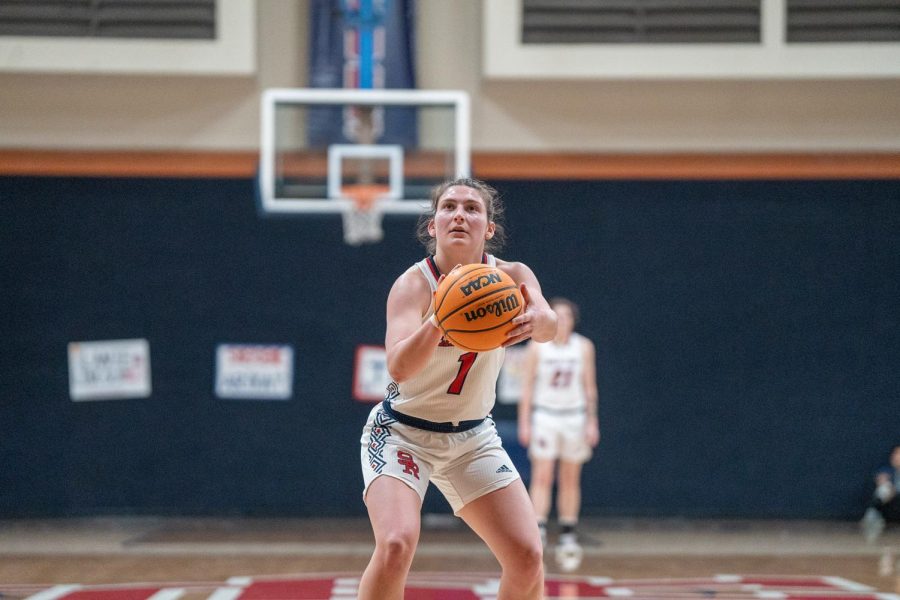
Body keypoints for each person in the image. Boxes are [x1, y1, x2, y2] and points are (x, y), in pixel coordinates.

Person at [358, 177, 558, 600]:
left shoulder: (512, 275)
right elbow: (399, 368)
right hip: (402, 434)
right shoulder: (413, 285)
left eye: (472, 208)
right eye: (448, 207)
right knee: (395, 545)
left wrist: (539, 320)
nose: (459, 215)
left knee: (527, 556)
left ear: (488, 228)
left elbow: (548, 322)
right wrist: (441, 318)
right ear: (432, 225)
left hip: (472, 437)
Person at [517, 297, 599, 572]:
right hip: (545, 416)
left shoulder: (584, 347)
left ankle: (567, 531)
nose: (562, 320)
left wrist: (592, 421)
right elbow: (526, 388)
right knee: (542, 474)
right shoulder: (536, 348)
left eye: (567, 316)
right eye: (557, 315)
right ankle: (537, 528)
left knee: (570, 477)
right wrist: (524, 423)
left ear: (574, 321)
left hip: (574, 416)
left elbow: (590, 387)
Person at [861, 444, 900, 543]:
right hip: (891, 507)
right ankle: (872, 518)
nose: (897, 457)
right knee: (884, 489)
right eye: (895, 454)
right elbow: (881, 482)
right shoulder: (887, 472)